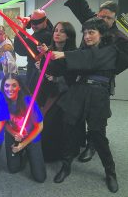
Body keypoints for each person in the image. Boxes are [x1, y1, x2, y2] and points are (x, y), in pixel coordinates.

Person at [47, 17, 119, 193]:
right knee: (68, 129)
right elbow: (71, 68)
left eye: (91, 32)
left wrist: (65, 54)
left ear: (102, 34)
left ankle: (110, 172)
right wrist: (50, 56)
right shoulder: (81, 51)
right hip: (79, 92)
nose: (87, 36)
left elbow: (91, 59)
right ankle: (66, 165)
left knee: (98, 135)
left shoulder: (109, 50)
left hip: (98, 95)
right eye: (85, 33)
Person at [65, 0, 128, 162]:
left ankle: (93, 145)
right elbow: (83, 9)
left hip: (102, 81)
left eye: (108, 17)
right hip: (81, 79)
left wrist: (102, 67)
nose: (103, 20)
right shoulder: (93, 24)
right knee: (79, 111)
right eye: (101, 16)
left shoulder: (120, 38)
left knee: (97, 118)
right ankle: (82, 140)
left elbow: (119, 64)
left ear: (115, 18)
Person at [36, 22, 77, 162]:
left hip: (63, 96)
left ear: (69, 36)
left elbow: (72, 77)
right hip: (45, 92)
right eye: (56, 30)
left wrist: (56, 79)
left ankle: (54, 155)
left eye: (62, 31)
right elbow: (44, 70)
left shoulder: (72, 54)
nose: (57, 33)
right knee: (39, 121)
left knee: (53, 124)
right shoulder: (49, 51)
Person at [0, 73, 46, 182]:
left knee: (40, 178)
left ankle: (26, 151)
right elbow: (4, 124)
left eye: (14, 85)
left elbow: (39, 126)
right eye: (6, 85)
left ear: (19, 87)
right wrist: (13, 134)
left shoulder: (29, 102)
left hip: (31, 136)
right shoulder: (2, 102)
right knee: (13, 169)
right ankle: (22, 152)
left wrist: (23, 145)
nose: (9, 89)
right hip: (14, 135)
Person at [14, 9, 53, 94]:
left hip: (38, 77)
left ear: (45, 21)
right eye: (32, 22)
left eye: (38, 22)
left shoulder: (44, 36)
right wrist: (29, 20)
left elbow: (19, 47)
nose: (34, 26)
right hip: (40, 74)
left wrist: (24, 25)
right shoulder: (50, 29)